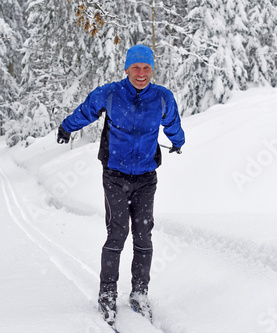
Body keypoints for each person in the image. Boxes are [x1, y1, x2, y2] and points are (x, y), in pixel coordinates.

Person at [56, 44, 185, 326]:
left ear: (152, 70)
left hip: (146, 178)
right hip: (115, 175)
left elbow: (172, 121)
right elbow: (87, 110)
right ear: (126, 69)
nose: (141, 73)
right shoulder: (111, 93)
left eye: (146, 68)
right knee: (117, 234)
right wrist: (67, 126)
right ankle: (107, 294)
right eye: (136, 68)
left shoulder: (162, 97)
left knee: (143, 235)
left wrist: (178, 141)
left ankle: (139, 294)